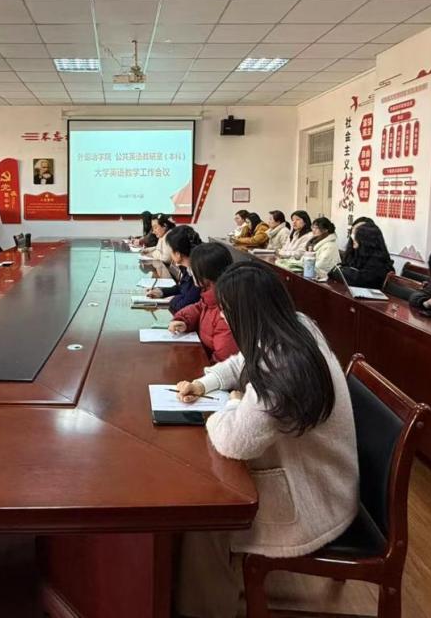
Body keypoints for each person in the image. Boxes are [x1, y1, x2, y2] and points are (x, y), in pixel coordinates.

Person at [172, 260, 358, 618]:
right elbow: (241, 363)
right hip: (324, 477)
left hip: (312, 497)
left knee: (205, 515)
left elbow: (234, 442)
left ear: (247, 313)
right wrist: (203, 384)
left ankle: (206, 610)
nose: (222, 317)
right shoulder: (294, 325)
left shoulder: (281, 365)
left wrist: (230, 405)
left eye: (226, 310)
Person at [168, 242, 238, 362]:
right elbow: (200, 307)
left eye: (192, 269)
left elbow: (224, 362)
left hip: (212, 369)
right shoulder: (211, 294)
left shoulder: (227, 309)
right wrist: (183, 320)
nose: (190, 273)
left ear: (205, 274)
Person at [146, 225, 202, 313]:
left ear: (178, 254)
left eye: (170, 250)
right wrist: (161, 292)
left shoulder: (197, 273)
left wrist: (172, 299)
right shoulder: (187, 268)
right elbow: (181, 288)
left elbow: (184, 305)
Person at [338, 223, 394, 289]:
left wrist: (340, 271)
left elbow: (359, 280)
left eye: (355, 235)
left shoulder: (378, 262)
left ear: (366, 239)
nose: (352, 239)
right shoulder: (360, 254)